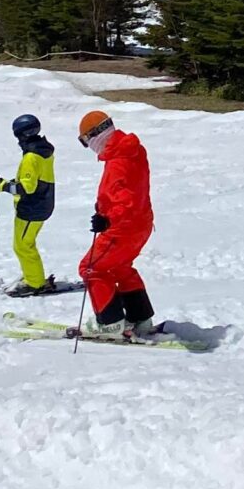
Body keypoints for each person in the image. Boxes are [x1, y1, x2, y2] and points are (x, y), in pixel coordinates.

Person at [76, 110, 156, 332]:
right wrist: (104, 206)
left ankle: (111, 323)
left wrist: (106, 219)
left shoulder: (117, 162)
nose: (89, 146)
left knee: (90, 267)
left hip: (122, 229)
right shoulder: (132, 151)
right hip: (141, 224)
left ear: (95, 135)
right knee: (119, 266)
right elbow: (127, 191)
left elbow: (124, 200)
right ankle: (141, 318)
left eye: (86, 141)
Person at [0, 113, 57, 297]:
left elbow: (26, 188)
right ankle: (33, 275)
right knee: (25, 243)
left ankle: (35, 282)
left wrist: (4, 186)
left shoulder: (31, 156)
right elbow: (34, 179)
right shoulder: (42, 150)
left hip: (32, 207)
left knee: (23, 246)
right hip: (42, 202)